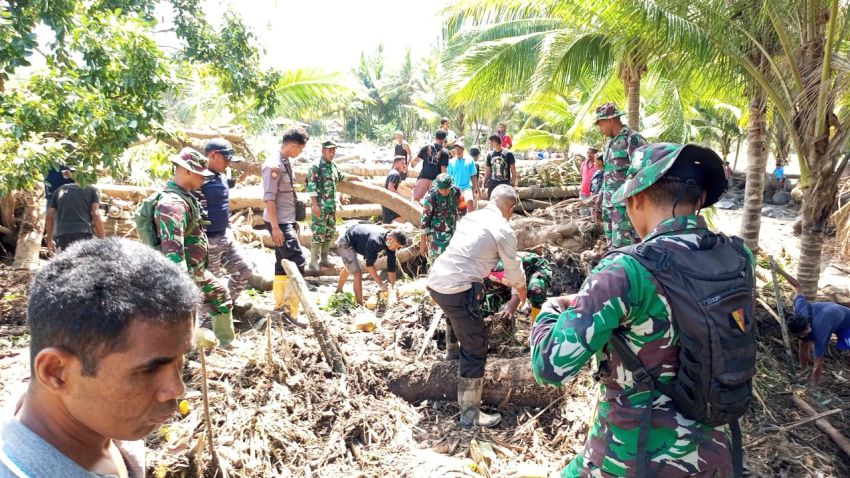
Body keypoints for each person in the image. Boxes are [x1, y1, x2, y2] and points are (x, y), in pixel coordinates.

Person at [531, 143, 754, 477]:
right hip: (714, 456)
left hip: (633, 457)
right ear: (702, 198)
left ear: (635, 199)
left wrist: (550, 310)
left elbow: (549, 367)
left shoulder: (624, 270)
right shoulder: (739, 258)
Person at [0, 238, 199, 476]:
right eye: (148, 370)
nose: (178, 389)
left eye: (180, 359)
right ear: (56, 373)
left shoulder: (102, 421)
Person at [427, 184, 527, 428]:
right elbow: (513, 268)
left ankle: (452, 356)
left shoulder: (471, 218)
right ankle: (470, 414)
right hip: (458, 289)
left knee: (454, 315)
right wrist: (521, 291)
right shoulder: (503, 229)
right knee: (476, 345)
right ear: (511, 208)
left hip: (436, 281)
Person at [199, 138, 254, 304]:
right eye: (226, 159)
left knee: (244, 271)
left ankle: (227, 306)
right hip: (208, 240)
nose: (228, 163)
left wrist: (244, 176)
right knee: (211, 284)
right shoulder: (198, 178)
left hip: (225, 236)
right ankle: (212, 316)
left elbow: (227, 184)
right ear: (213, 155)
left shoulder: (220, 176)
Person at [774, 266, 850, 386]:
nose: (802, 336)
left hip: (846, 322)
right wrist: (780, 271)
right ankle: (803, 371)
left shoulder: (820, 332)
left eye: (803, 333)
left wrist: (813, 388)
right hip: (829, 314)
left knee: (846, 345)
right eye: (799, 334)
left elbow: (818, 362)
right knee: (803, 343)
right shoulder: (800, 309)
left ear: (808, 326)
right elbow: (797, 286)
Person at [263, 127, 309, 322]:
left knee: (282, 262)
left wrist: (292, 220)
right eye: (300, 149)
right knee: (297, 261)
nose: (300, 153)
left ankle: (281, 306)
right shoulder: (273, 165)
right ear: (293, 146)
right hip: (279, 222)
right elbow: (269, 199)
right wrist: (275, 228)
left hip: (285, 219)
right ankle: (292, 310)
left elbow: (287, 195)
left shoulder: (285, 162)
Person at [595, 102, 647, 247]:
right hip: (609, 206)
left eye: (601, 124)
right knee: (612, 248)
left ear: (610, 120)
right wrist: (600, 198)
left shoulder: (633, 139)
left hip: (625, 208)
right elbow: (608, 174)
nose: (600, 129)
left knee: (627, 248)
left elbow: (642, 173)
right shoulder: (609, 143)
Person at [306, 140, 359, 273]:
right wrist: (315, 205)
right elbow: (311, 186)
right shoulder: (316, 166)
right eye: (330, 151)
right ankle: (313, 261)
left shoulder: (333, 166)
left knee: (329, 232)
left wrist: (353, 178)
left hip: (331, 206)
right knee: (318, 232)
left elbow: (340, 177)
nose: (332, 153)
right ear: (323, 151)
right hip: (320, 206)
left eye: (334, 151)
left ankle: (324, 258)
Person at [335, 225, 407, 306]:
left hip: (357, 240)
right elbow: (369, 265)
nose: (396, 249)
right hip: (346, 242)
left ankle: (338, 290)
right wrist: (380, 284)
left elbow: (391, 265)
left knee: (350, 267)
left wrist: (393, 286)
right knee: (357, 273)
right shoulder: (375, 241)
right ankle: (360, 305)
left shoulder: (389, 242)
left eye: (399, 247)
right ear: (390, 239)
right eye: (396, 246)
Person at [45, 169, 105, 254]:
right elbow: (95, 214)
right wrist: (103, 239)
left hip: (63, 234)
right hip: (83, 233)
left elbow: (49, 216)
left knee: (66, 260)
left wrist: (49, 240)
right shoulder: (92, 190)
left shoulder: (60, 190)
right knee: (82, 260)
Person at [483, 251, 551, 322]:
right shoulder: (478, 272)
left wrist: (509, 309)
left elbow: (518, 289)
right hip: (509, 280)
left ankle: (537, 323)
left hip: (535, 268)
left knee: (535, 290)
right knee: (489, 301)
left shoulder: (501, 268)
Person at [420, 174, 467, 262]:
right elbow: (424, 221)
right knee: (437, 263)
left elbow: (463, 212)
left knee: (452, 261)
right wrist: (423, 242)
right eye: (441, 189)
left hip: (453, 235)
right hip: (436, 238)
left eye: (447, 188)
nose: (444, 191)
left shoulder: (457, 193)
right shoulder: (431, 198)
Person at [410, 129, 450, 202]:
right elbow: (443, 171)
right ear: (444, 139)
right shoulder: (445, 152)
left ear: (435, 137)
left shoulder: (426, 147)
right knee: (433, 204)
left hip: (423, 178)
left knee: (415, 201)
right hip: (435, 181)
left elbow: (415, 160)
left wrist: (412, 163)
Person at [448, 140, 479, 213]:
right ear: (454, 150)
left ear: (463, 149)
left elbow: (473, 175)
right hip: (455, 188)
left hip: (466, 187)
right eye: (456, 149)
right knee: (455, 208)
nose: (458, 151)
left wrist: (475, 187)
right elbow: (449, 177)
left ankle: (470, 218)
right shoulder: (451, 162)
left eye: (459, 149)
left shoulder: (470, 160)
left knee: (470, 201)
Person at [482, 134, 517, 199]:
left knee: (504, 201)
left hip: (504, 184)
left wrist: (515, 184)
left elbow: (513, 170)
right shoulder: (490, 155)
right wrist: (483, 183)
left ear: (494, 142)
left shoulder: (508, 154)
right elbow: (487, 170)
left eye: (490, 143)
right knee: (492, 201)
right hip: (492, 184)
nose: (489, 145)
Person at [382, 156, 407, 224]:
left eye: (404, 163)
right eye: (402, 163)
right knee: (388, 224)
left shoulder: (392, 172)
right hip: (389, 203)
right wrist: (401, 198)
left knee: (392, 222)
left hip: (388, 202)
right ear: (396, 163)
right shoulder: (395, 174)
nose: (404, 165)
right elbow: (391, 187)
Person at [579, 147, 599, 217]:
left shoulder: (598, 164)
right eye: (588, 153)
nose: (589, 155)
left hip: (594, 193)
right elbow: (581, 175)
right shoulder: (583, 163)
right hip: (583, 192)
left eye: (591, 153)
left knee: (593, 214)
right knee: (583, 214)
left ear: (596, 154)